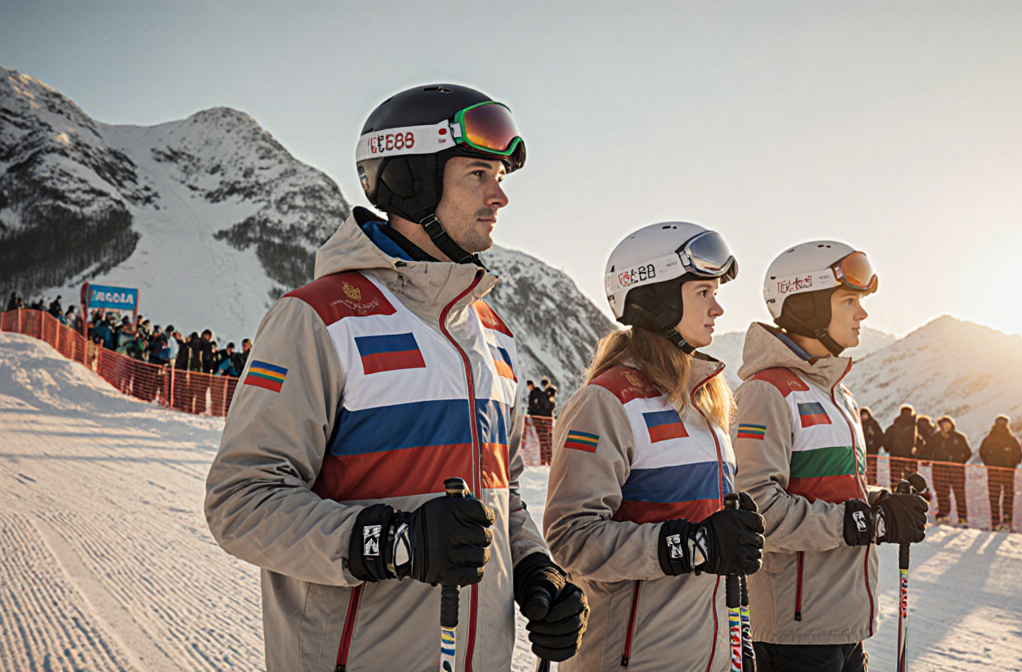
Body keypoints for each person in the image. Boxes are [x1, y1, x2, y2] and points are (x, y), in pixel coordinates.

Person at [206, 84, 585, 671]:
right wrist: (393, 541)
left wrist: (536, 568)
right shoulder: (319, 318)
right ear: (414, 180)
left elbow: (500, 493)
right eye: (478, 174)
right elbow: (242, 502)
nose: (500, 195)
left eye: (501, 176)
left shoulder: (493, 333)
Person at [544, 222, 764, 671]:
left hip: (707, 656)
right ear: (658, 296)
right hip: (633, 657)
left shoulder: (703, 403)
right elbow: (572, 537)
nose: (718, 308)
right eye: (703, 292)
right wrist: (695, 544)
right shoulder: (607, 402)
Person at [733, 241, 927, 672]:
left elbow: (835, 491)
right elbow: (757, 509)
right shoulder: (768, 392)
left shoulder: (837, 395)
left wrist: (881, 502)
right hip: (794, 632)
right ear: (808, 307)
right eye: (850, 300)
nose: (863, 313)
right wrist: (866, 522)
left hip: (845, 621)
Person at [927, 416, 971, 525]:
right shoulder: (935, 438)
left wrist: (960, 462)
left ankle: (962, 517)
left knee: (959, 494)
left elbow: (967, 452)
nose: (946, 427)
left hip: (956, 471)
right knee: (942, 493)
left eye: (948, 424)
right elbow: (927, 450)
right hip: (939, 470)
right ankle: (943, 514)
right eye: (943, 425)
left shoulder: (959, 437)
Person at [883, 405, 923, 490]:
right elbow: (921, 443)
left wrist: (888, 449)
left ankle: (896, 497)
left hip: (895, 458)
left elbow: (886, 441)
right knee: (911, 480)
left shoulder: (893, 428)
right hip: (910, 459)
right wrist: (917, 452)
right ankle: (910, 498)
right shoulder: (914, 428)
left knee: (896, 480)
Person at [860, 407, 884, 486]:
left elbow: (880, 436)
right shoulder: (859, 425)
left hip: (872, 451)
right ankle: (862, 484)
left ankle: (872, 484)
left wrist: (875, 445)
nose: (864, 417)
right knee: (861, 469)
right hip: (861, 452)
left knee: (872, 469)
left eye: (865, 415)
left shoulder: (873, 424)